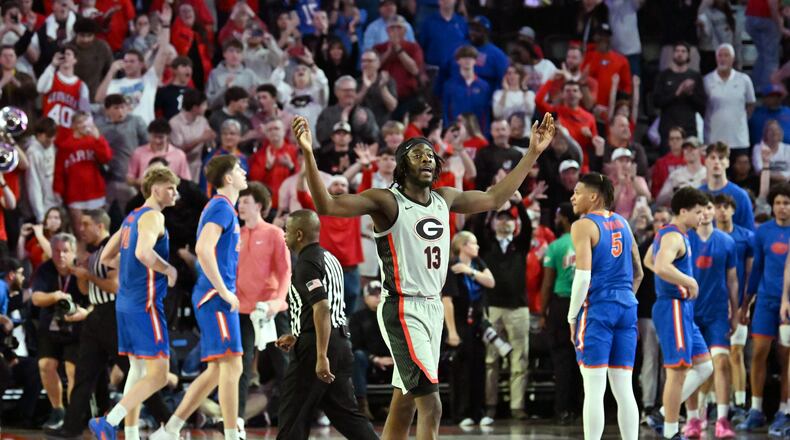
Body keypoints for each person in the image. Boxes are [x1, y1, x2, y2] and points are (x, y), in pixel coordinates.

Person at [290, 109, 555, 439]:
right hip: (403, 309)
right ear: (403, 164)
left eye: (431, 154)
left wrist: (532, 152)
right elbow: (327, 205)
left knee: (404, 402)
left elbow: (494, 197)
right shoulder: (386, 201)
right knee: (432, 405)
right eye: (418, 154)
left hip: (432, 310)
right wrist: (308, 152)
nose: (427, 159)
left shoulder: (445, 198)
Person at [151, 155, 247, 440]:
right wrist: (224, 290)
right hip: (214, 298)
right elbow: (204, 249)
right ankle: (231, 433)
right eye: (239, 170)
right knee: (233, 365)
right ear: (228, 178)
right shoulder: (221, 207)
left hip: (211, 297)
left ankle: (170, 429)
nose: (244, 173)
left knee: (218, 371)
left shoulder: (222, 207)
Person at [88, 167, 180, 440]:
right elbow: (142, 252)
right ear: (155, 189)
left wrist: (128, 266)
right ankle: (109, 420)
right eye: (171, 187)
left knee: (138, 370)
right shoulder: (153, 216)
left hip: (125, 303)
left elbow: (105, 256)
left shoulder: (131, 217)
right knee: (160, 376)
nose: (176, 192)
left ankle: (128, 432)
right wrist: (168, 269)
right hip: (145, 303)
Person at [275, 209, 378, 439]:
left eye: (288, 230)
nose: (284, 235)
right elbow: (323, 305)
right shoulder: (330, 258)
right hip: (340, 343)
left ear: (299, 234)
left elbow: (322, 307)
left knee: (292, 415)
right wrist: (297, 334)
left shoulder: (306, 263)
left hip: (319, 347)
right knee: (347, 416)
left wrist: (321, 355)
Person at [567, 172, 643, 440]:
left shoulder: (583, 225)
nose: (572, 197)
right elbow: (639, 272)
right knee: (624, 389)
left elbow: (583, 276)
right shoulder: (623, 222)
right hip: (627, 306)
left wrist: (572, 316)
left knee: (594, 388)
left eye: (577, 192)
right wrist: (624, 296)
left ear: (594, 196)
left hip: (598, 308)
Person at [644, 187, 714, 440]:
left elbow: (648, 260)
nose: (701, 217)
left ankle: (662, 413)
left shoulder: (669, 235)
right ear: (683, 211)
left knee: (705, 366)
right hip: (673, 306)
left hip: (681, 308)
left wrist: (676, 281)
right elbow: (661, 266)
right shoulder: (673, 237)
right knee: (678, 371)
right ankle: (672, 432)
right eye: (697, 212)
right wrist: (689, 282)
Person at [682, 197, 739, 438]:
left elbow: (733, 280)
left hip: (717, 313)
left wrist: (735, 311)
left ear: (714, 211)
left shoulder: (727, 241)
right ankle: (693, 419)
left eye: (708, 208)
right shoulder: (686, 239)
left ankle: (723, 419)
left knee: (722, 363)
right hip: (690, 312)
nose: (705, 213)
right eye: (700, 208)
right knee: (692, 367)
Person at [737, 183, 790, 432]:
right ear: (772, 205)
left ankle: (784, 410)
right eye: (778, 203)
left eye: (787, 203)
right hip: (766, 301)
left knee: (786, 357)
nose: (782, 208)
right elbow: (756, 269)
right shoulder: (764, 232)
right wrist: (746, 303)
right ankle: (756, 409)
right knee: (758, 352)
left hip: (788, 305)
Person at [235, 182, 290, 420]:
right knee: (241, 367)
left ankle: (296, 416)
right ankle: (235, 421)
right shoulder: (235, 233)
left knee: (285, 365)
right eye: (239, 201)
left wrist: (277, 302)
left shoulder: (274, 233)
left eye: (245, 201)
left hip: (271, 309)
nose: (240, 205)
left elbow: (285, 271)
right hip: (243, 310)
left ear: (258, 205)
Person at [31, 232, 87, 430]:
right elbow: (36, 298)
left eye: (65, 251)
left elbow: (91, 298)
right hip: (51, 327)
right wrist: (54, 296)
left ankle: (73, 415)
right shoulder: (45, 269)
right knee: (46, 365)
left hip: (77, 327)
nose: (61, 255)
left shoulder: (81, 269)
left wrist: (84, 311)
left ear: (73, 252)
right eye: (56, 251)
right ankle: (58, 411)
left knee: (73, 370)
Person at [442, 230, 495, 426]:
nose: (477, 247)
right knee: (461, 370)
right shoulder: (451, 267)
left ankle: (478, 412)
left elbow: (490, 282)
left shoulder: (477, 263)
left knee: (478, 366)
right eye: (473, 243)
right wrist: (452, 332)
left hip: (477, 323)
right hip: (460, 322)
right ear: (463, 246)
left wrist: (470, 271)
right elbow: (447, 301)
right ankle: (461, 413)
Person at [712, 194, 754, 416]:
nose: (721, 211)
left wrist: (743, 306)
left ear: (733, 210)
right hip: (714, 305)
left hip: (738, 303)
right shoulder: (705, 236)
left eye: (725, 206)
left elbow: (750, 275)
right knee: (713, 358)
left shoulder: (746, 237)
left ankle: (739, 405)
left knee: (736, 353)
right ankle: (712, 404)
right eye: (717, 207)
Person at [540, 202, 582, 424]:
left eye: (558, 216)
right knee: (583, 360)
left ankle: (563, 410)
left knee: (562, 358)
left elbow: (547, 284)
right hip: (585, 304)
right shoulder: (589, 243)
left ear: (565, 218)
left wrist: (542, 312)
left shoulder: (555, 246)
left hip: (561, 305)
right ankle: (583, 408)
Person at [699, 142, 755, 231]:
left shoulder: (740, 196)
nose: (716, 162)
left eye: (721, 158)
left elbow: (749, 233)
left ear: (727, 163)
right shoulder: (697, 195)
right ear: (705, 161)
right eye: (712, 158)